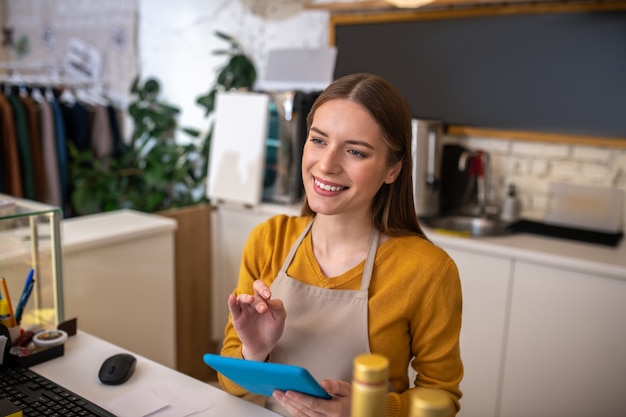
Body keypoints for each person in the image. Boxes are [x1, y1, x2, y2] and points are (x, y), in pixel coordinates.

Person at [219, 72, 463, 417]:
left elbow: (442, 398)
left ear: (392, 169)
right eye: (319, 141)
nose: (327, 165)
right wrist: (254, 352)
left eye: (355, 152)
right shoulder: (268, 240)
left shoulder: (428, 271)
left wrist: (370, 409)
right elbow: (229, 379)